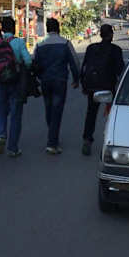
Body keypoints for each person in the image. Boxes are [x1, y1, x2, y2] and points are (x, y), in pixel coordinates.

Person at [0, 18, 33, 158]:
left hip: (0, 84)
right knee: (16, 115)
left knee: (1, 111)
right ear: (14, 28)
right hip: (16, 83)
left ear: (2, 29)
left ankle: (1, 135)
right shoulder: (19, 43)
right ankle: (13, 148)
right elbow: (28, 61)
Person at [34, 18, 80, 155]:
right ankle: (52, 143)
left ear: (47, 29)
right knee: (57, 111)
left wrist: (38, 78)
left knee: (49, 109)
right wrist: (76, 79)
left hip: (45, 82)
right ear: (58, 28)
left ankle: (52, 137)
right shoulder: (65, 43)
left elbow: (34, 63)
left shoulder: (39, 45)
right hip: (60, 81)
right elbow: (75, 62)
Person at [80, 24, 125, 155]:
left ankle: (87, 140)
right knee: (113, 115)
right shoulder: (116, 50)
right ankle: (113, 140)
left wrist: (84, 85)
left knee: (91, 113)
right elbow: (120, 71)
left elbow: (84, 68)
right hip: (109, 88)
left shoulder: (91, 48)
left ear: (100, 35)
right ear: (111, 35)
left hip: (93, 87)